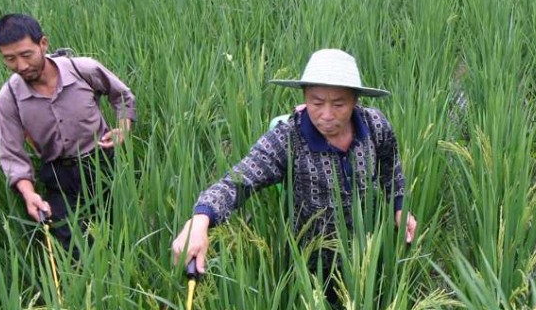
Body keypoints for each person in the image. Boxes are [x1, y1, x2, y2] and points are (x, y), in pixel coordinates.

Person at [172, 48, 418, 277]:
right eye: (317, 102)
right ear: (305, 97)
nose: (327, 115)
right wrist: (200, 220)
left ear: (355, 100)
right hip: (311, 261)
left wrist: (399, 207)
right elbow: (238, 180)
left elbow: (391, 169)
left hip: (368, 250)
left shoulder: (375, 125)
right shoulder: (288, 139)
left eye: (339, 104)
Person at [0, 13, 136, 252]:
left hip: (101, 164)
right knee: (74, 245)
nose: (21, 66)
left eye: (26, 55)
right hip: (58, 175)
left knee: (121, 230)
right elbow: (11, 154)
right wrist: (29, 194)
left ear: (43, 43)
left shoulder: (83, 69)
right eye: (10, 59)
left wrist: (123, 128)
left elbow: (122, 97)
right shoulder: (9, 98)